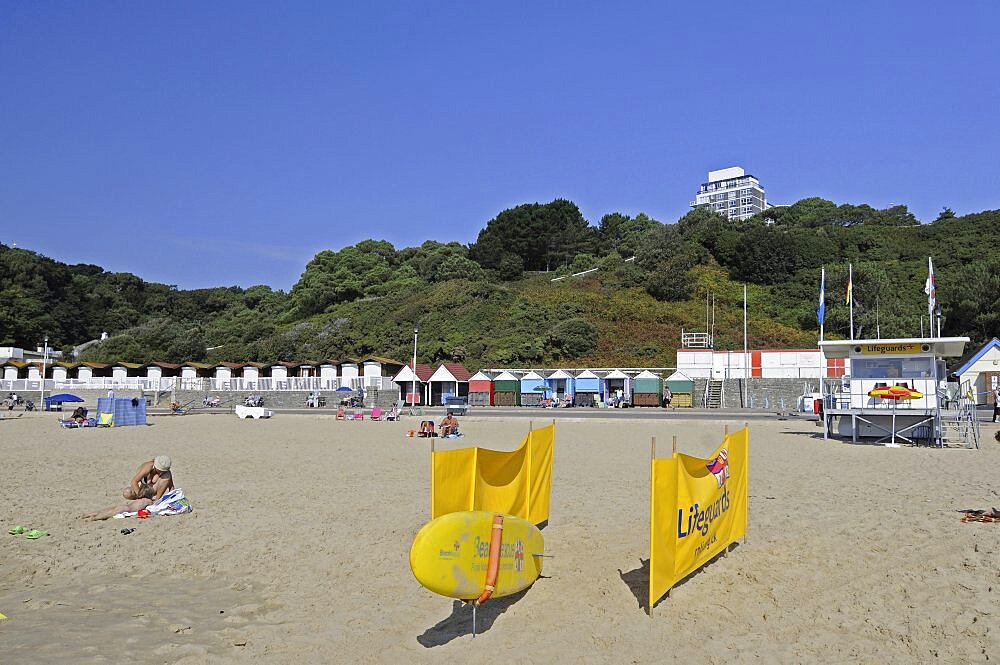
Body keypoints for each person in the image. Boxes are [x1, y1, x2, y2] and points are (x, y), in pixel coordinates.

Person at [81, 497, 153, 521]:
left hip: (125, 505)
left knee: (107, 510)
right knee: (108, 514)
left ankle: (87, 514)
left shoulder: (138, 499)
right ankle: (95, 518)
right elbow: (152, 508)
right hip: (127, 509)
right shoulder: (148, 501)